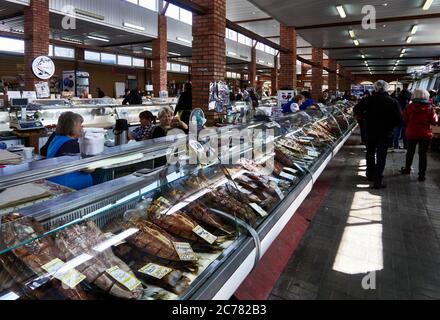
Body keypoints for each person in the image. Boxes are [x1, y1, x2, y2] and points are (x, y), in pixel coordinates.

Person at [354, 80, 402, 189]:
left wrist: (364, 117)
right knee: (381, 156)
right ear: (386, 88)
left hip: (370, 131)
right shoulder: (393, 102)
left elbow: (356, 110)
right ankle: (378, 180)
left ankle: (370, 174)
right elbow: (399, 119)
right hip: (385, 133)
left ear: (375, 88)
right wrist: (390, 126)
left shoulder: (367, 100)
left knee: (370, 153)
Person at [40, 112, 93, 190]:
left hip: (53, 181)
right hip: (68, 187)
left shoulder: (56, 136)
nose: (82, 128)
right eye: (80, 125)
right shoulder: (71, 144)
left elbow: (43, 152)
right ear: (72, 126)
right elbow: (89, 169)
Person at [400, 89, 438, 182]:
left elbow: (404, 119)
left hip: (412, 132)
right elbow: (434, 121)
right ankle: (422, 175)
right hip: (425, 134)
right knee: (423, 154)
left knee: (410, 152)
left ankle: (407, 169)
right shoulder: (430, 108)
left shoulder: (408, 107)